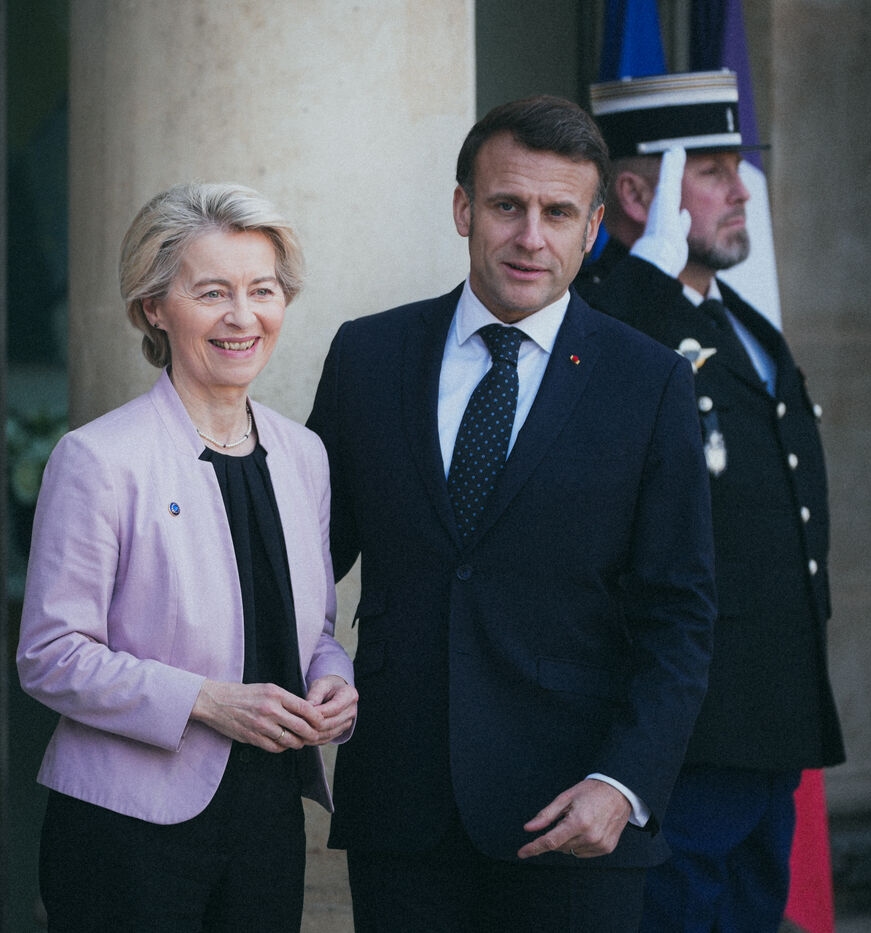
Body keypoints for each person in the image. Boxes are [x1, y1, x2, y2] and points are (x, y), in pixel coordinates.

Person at [307, 95, 716, 932]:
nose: (531, 237)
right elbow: (304, 558)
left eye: (558, 213)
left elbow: (680, 612)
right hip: (402, 809)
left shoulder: (650, 383)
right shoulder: (367, 356)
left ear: (593, 227)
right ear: (464, 209)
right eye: (507, 206)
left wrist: (624, 783)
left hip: (573, 817)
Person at [16, 182, 358, 932]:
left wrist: (334, 676)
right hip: (125, 828)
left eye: (262, 290)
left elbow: (313, 628)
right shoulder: (98, 458)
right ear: (153, 308)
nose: (243, 316)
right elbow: (49, 656)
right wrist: (206, 700)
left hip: (268, 819)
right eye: (212, 292)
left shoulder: (304, 455)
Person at [577, 71, 846, 932]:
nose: (742, 192)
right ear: (637, 196)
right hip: (686, 727)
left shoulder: (743, 325)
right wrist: (645, 279)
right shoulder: (611, 319)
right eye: (714, 171)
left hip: (768, 713)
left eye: (739, 168)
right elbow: (579, 402)